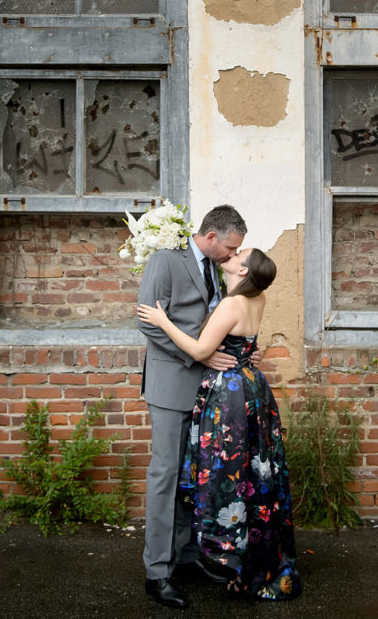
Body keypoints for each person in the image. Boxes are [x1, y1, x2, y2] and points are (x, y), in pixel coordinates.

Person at [138, 246, 301, 602]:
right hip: (252, 386)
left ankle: (228, 552)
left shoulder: (231, 304)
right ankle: (241, 553)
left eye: (239, 253)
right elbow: (246, 342)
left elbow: (199, 352)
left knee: (226, 476)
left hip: (229, 395)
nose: (234, 253)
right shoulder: (256, 299)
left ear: (243, 272)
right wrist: (249, 352)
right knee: (253, 477)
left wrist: (163, 321)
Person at [137, 204, 248, 609]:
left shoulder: (217, 269)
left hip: (205, 391)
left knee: (189, 478)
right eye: (231, 247)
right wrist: (200, 357)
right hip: (170, 387)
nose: (234, 255)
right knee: (165, 476)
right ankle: (157, 572)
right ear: (212, 237)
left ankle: (185, 556)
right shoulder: (166, 261)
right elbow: (148, 322)